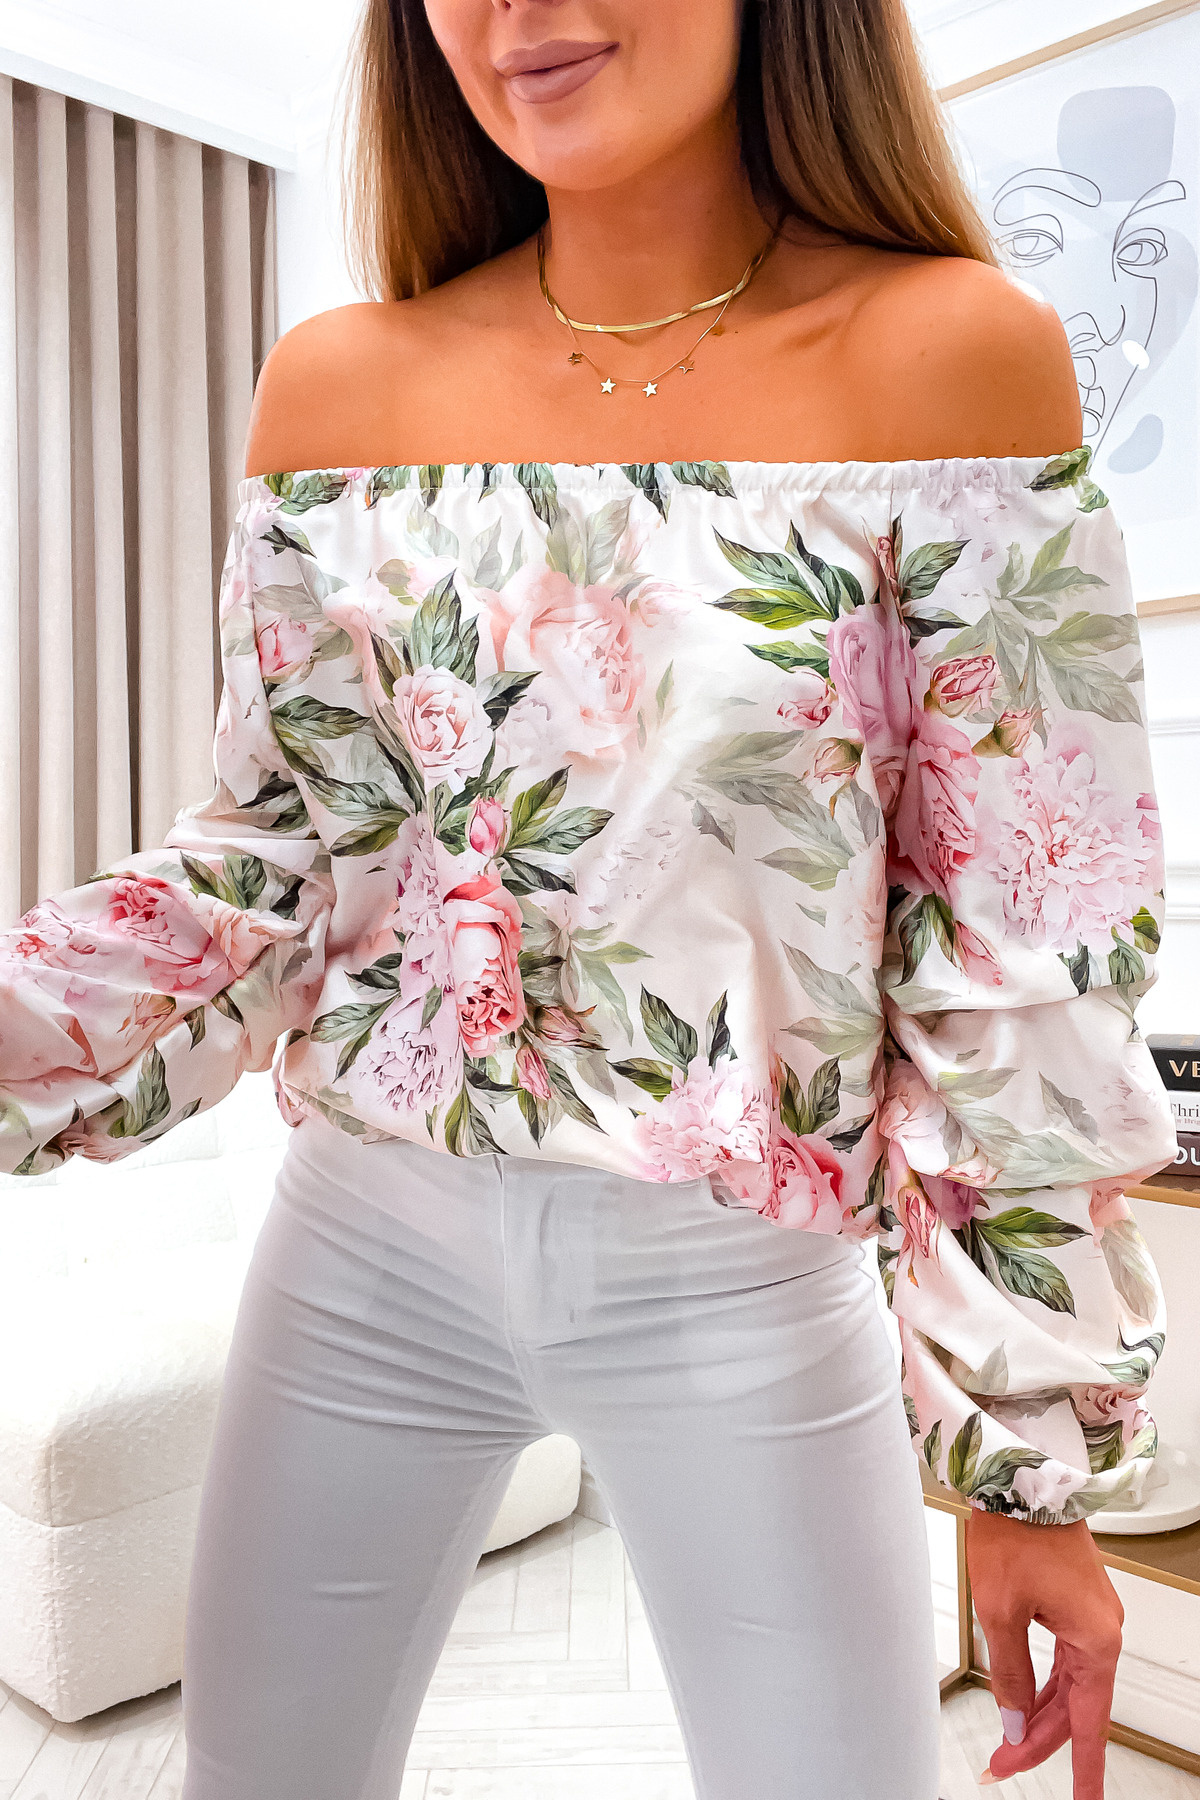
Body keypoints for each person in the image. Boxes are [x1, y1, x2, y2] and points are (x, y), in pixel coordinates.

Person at [0, 2, 1178, 1797]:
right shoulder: (338, 387)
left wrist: (1029, 1472)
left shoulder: (952, 359)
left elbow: (1016, 938)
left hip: (743, 1281)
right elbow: (278, 863)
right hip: (364, 1254)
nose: (516, 12)